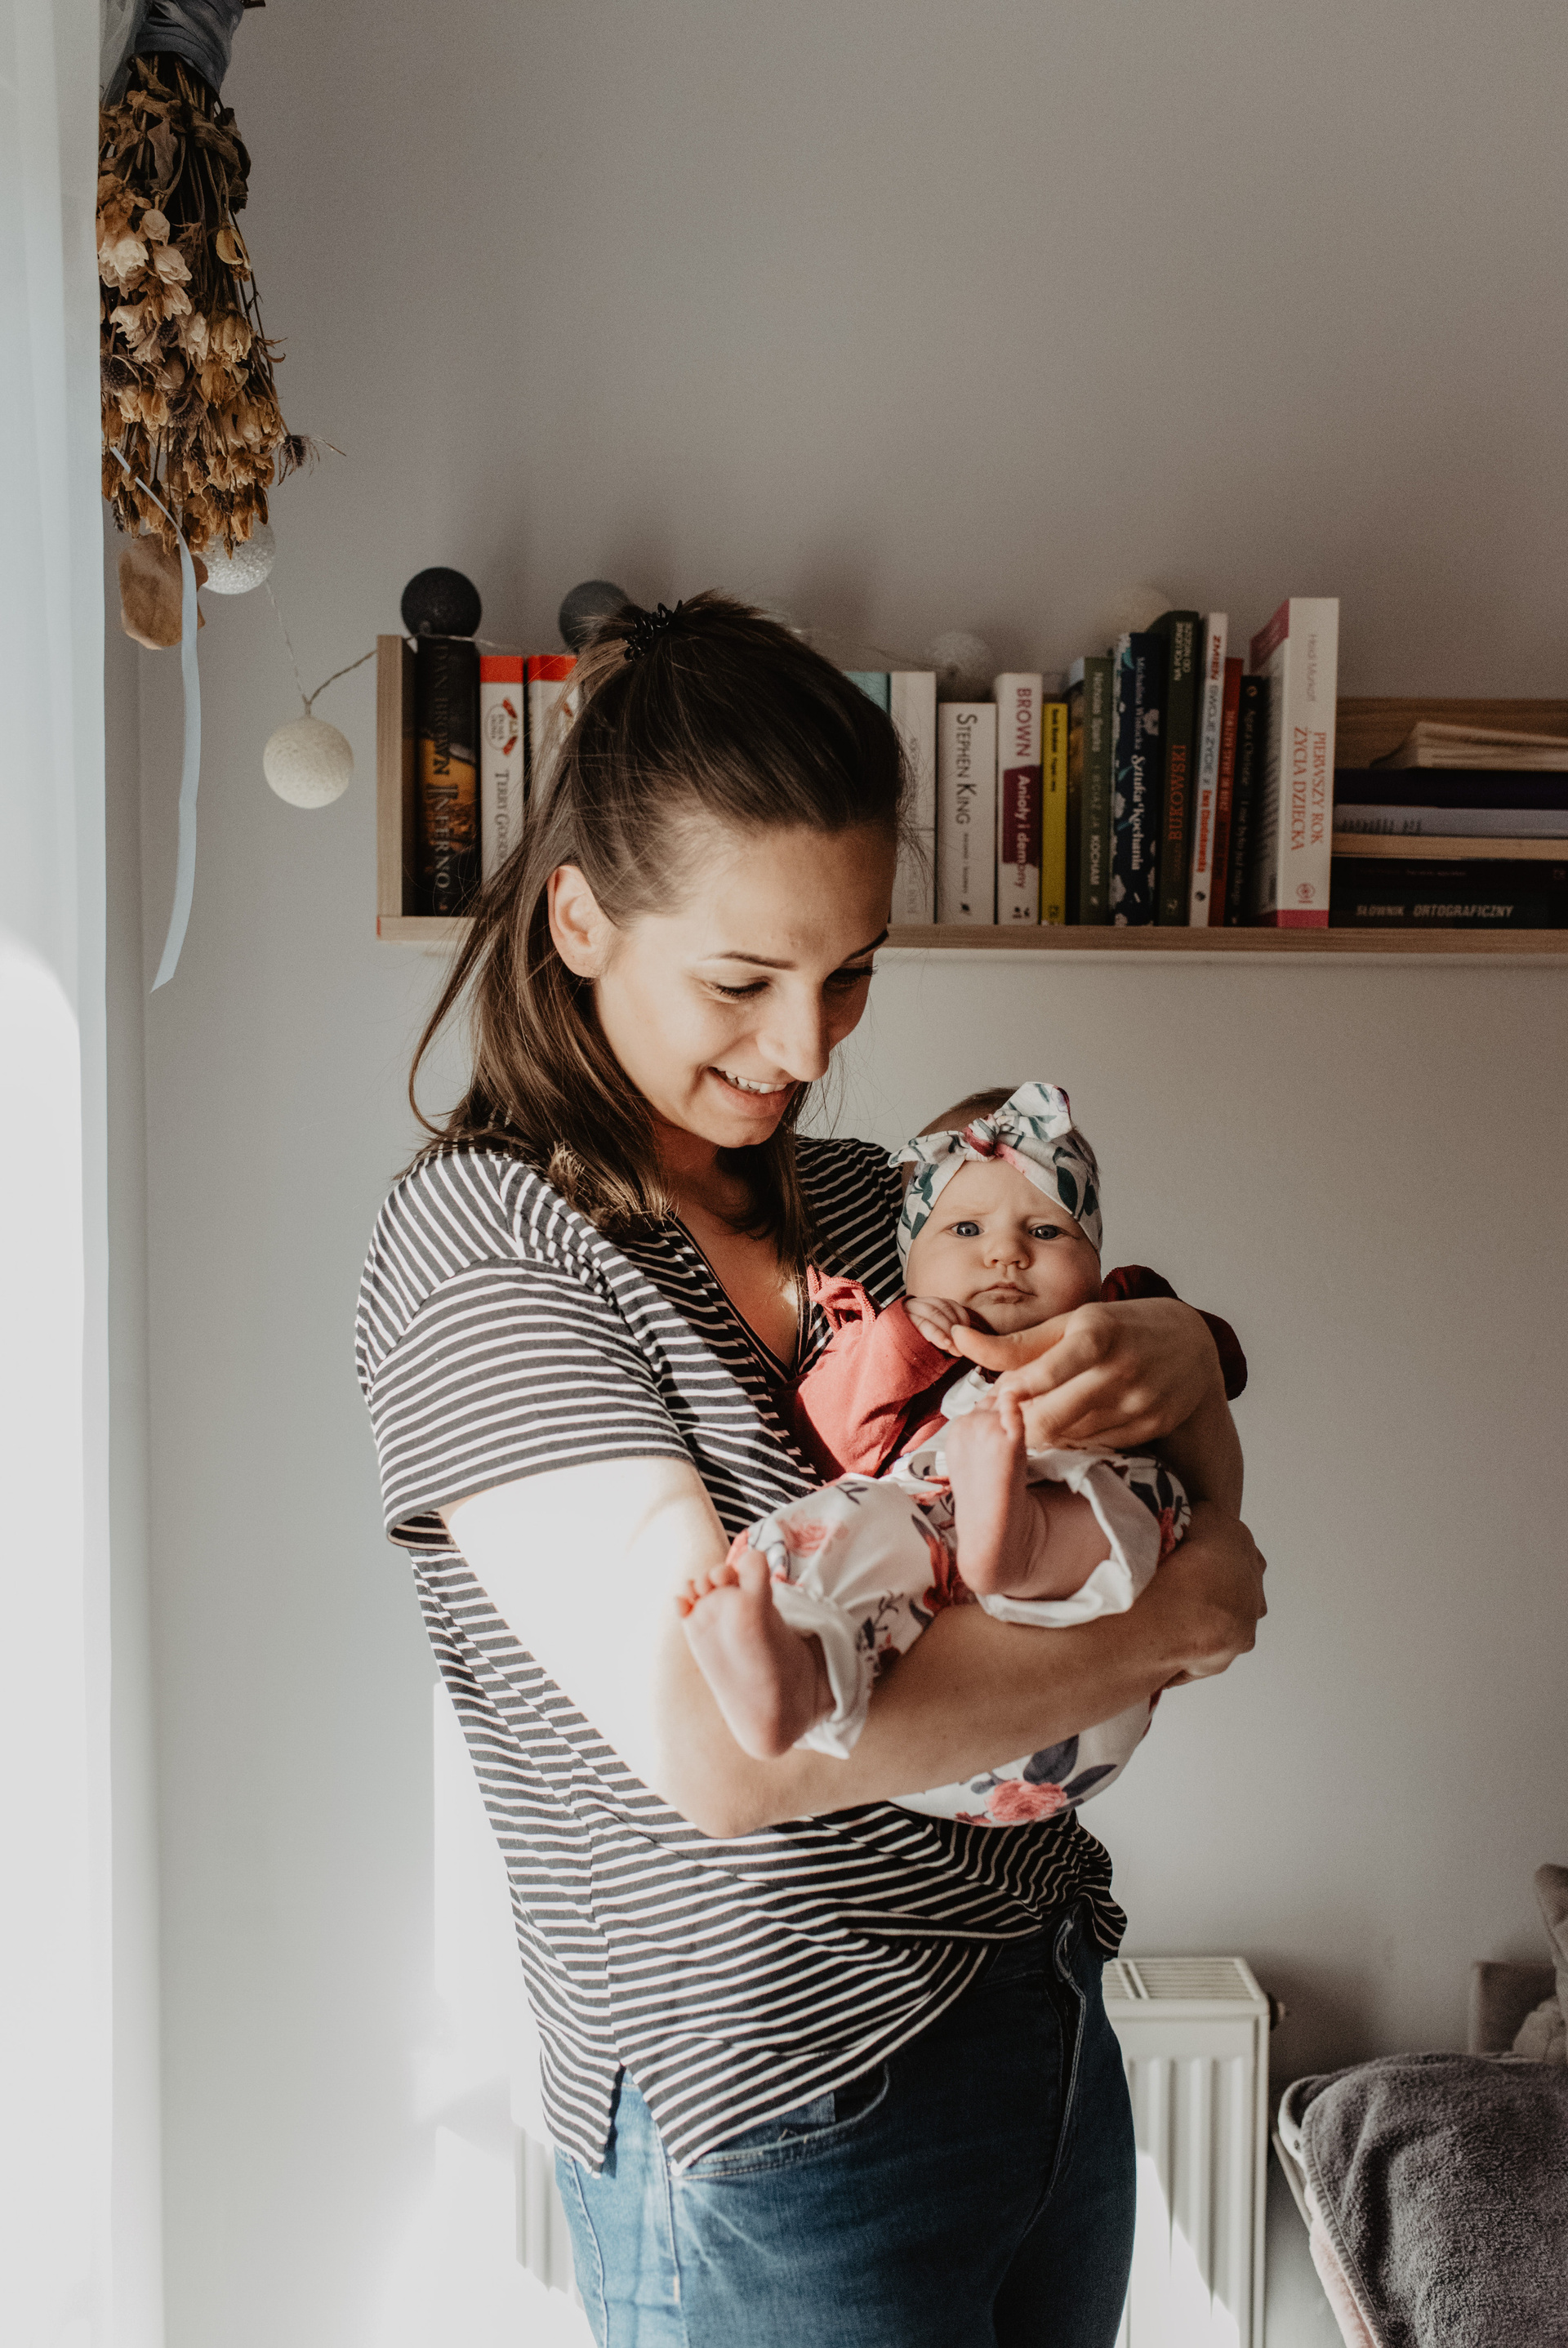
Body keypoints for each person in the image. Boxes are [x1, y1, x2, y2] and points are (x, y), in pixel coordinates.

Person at [355, 592, 1266, 2348]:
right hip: (785, 2115)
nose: (806, 1045)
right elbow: (725, 1752)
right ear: (579, 918)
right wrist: (1162, 1635)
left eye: (850, 971)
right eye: (742, 980)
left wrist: (1186, 1354)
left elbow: (1153, 1471)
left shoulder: (870, 1200)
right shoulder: (488, 1249)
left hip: (1043, 2010)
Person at [676, 1080, 1195, 1832]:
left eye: (1046, 1231)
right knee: (858, 1514)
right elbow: (830, 1441)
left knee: (1137, 1493)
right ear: (909, 1261)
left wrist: (1176, 1330)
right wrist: (904, 1338)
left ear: (1095, 1262)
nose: (1006, 1253)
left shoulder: (1118, 1317)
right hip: (931, 1729)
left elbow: (1207, 1365)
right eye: (966, 1229)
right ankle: (798, 1675)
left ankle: (1020, 1541)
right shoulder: (889, 1345)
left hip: (1082, 1701)